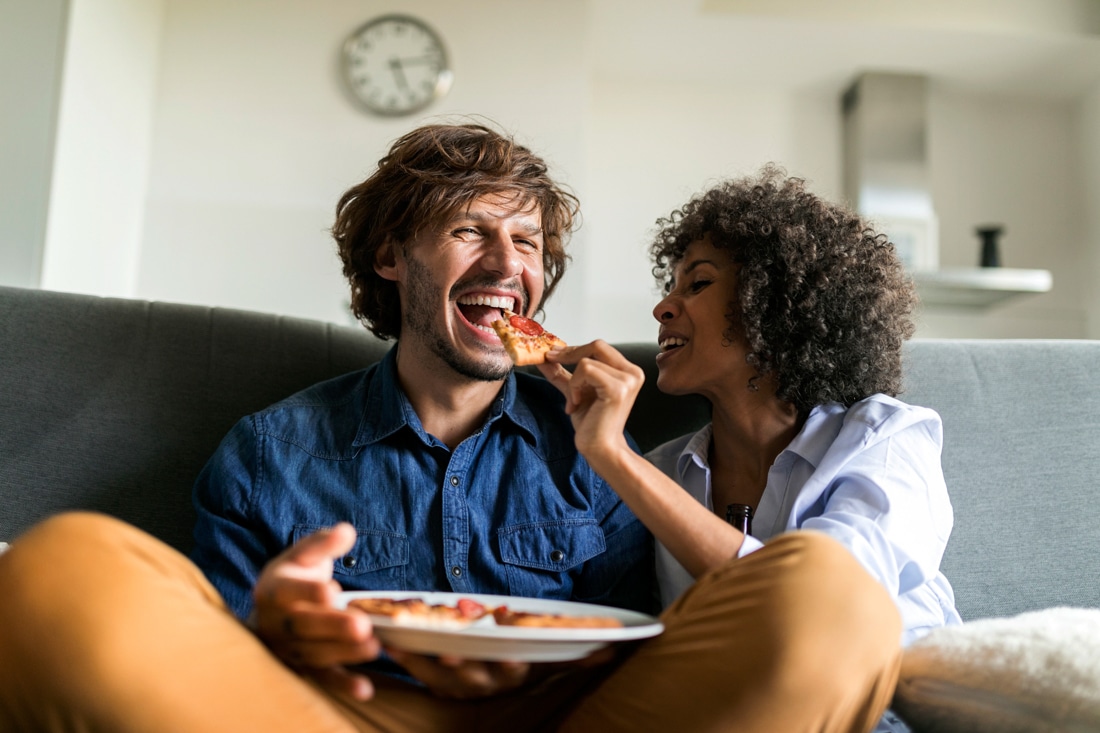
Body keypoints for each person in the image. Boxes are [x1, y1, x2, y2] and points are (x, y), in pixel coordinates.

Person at [0, 130, 901, 733]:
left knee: (832, 592)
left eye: (532, 244)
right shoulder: (271, 453)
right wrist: (277, 626)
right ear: (391, 258)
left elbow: (654, 646)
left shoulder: (602, 449)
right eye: (472, 231)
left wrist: (609, 459)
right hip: (340, 718)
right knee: (58, 568)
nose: (511, 264)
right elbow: (208, 665)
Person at [538, 165, 962, 732]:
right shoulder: (661, 470)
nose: (664, 307)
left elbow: (825, 604)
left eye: (698, 283)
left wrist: (613, 455)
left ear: (775, 305)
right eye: (672, 285)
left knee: (820, 575)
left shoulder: (886, 436)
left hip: (866, 714)